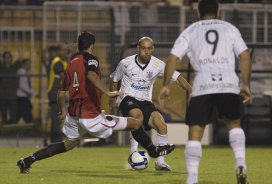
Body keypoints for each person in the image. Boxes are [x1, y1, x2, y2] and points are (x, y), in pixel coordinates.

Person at [17, 31, 175, 174]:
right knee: (135, 122)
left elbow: (61, 92)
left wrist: (63, 111)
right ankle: (154, 152)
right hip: (90, 117)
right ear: (92, 46)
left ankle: (28, 160)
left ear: (77, 45)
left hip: (74, 115)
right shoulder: (91, 59)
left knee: (68, 144)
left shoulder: (71, 63)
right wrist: (108, 92)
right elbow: (91, 75)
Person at [158, 0, 252, 183]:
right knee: (234, 124)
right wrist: (246, 84)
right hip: (228, 82)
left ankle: (192, 178)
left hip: (203, 83)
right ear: (219, 11)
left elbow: (173, 57)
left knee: (196, 130)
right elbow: (245, 55)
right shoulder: (229, 28)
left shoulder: (191, 30)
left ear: (198, 12)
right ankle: (240, 163)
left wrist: (166, 85)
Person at [110, 37, 192, 171]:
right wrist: (112, 99)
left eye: (149, 48)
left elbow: (178, 78)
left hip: (145, 101)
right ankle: (133, 153)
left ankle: (160, 163)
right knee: (137, 116)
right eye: (143, 48)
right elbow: (114, 79)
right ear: (138, 48)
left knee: (161, 124)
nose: (146, 52)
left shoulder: (158, 65)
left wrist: (191, 91)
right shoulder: (125, 63)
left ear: (152, 49)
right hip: (127, 98)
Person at [47, 43, 69, 143]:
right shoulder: (57, 62)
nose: (65, 52)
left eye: (66, 50)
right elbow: (63, 77)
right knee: (57, 118)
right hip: (55, 94)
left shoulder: (63, 62)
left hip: (60, 94)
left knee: (58, 117)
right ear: (58, 51)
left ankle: (55, 139)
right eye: (63, 50)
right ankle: (56, 140)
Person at [0, 51, 21, 124]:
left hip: (12, 96)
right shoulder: (1, 67)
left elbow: (20, 60)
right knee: (4, 115)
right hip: (2, 96)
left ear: (11, 58)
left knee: (13, 115)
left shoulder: (14, 67)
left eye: (8, 57)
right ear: (3, 58)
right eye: (5, 57)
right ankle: (5, 133)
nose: (7, 59)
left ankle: (13, 132)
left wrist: (19, 51)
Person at [16, 58, 38, 123]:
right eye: (27, 64)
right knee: (28, 116)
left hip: (22, 98)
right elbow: (23, 86)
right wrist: (34, 94)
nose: (28, 66)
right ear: (23, 64)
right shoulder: (21, 72)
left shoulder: (23, 72)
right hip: (22, 98)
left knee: (18, 116)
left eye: (29, 64)